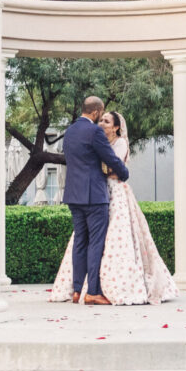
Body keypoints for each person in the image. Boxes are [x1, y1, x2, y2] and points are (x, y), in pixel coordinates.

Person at [50, 108, 179, 305]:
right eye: (101, 120)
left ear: (117, 127)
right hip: (96, 192)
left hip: (113, 192)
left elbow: (114, 168)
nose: (102, 123)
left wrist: (114, 170)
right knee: (85, 240)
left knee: (111, 238)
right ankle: (81, 288)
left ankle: (101, 286)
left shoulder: (119, 143)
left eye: (107, 121)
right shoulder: (97, 139)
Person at [54, 96, 130, 306]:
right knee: (96, 243)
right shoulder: (95, 131)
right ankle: (93, 292)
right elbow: (110, 158)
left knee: (80, 241)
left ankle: (77, 290)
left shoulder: (70, 131)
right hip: (94, 195)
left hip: (73, 194)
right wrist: (124, 173)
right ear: (96, 112)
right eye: (101, 114)